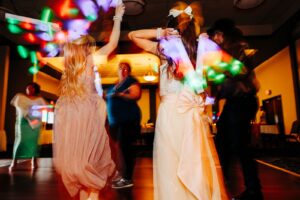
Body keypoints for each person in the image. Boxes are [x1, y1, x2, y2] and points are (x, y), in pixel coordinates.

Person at [129, 1, 229, 199]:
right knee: (193, 165)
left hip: (172, 114)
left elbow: (133, 35)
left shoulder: (166, 51)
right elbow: (203, 87)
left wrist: (160, 33)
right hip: (188, 115)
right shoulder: (190, 50)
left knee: (171, 166)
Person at [53, 3, 125, 200]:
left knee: (82, 163)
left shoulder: (69, 64)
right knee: (93, 161)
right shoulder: (89, 60)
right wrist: (118, 17)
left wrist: (59, 30)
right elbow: (112, 45)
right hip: (85, 113)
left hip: (69, 114)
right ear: (85, 47)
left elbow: (65, 41)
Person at [207, 18, 263, 200]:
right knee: (223, 142)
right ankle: (224, 185)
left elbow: (242, 70)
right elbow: (221, 85)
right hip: (234, 102)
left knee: (240, 146)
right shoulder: (224, 53)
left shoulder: (239, 47)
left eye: (214, 36)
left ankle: (253, 192)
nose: (214, 40)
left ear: (221, 34)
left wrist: (219, 63)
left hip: (243, 101)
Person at [105, 61, 142, 189]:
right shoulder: (114, 84)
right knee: (117, 149)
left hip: (128, 120)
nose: (123, 70)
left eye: (125, 68)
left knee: (126, 148)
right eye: (120, 68)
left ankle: (127, 178)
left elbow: (135, 94)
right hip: (115, 123)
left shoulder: (130, 81)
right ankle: (121, 174)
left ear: (129, 71)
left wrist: (120, 94)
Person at [9, 82, 47, 171]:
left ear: (35, 89)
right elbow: (18, 107)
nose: (29, 89)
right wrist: (27, 112)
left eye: (32, 88)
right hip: (23, 122)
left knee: (34, 142)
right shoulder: (20, 97)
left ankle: (34, 160)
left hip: (35, 123)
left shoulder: (39, 99)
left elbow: (45, 108)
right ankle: (14, 161)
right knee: (20, 141)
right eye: (28, 88)